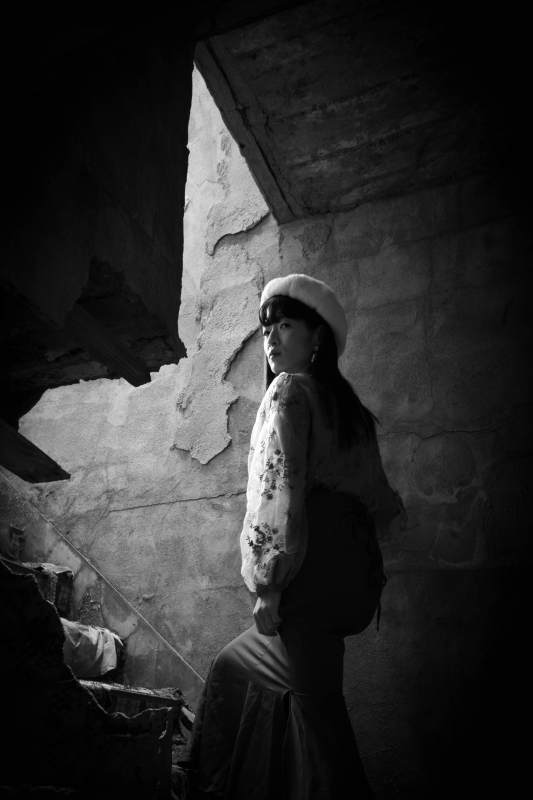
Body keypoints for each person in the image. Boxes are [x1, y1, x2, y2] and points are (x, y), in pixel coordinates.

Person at [186, 273, 405, 799]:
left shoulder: (288, 391)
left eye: (285, 326)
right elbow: (383, 506)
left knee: (322, 730)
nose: (271, 340)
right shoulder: (352, 412)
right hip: (350, 586)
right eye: (267, 330)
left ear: (317, 337)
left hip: (306, 583)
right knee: (238, 671)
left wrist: (270, 585)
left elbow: (278, 491)